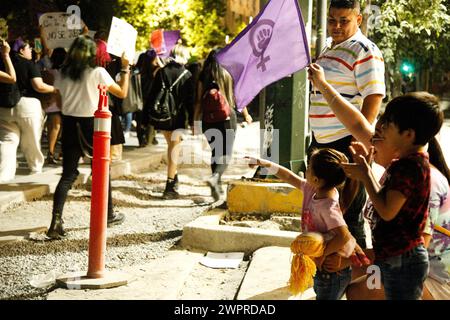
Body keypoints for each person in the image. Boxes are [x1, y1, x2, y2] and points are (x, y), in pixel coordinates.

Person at [309, 62, 443, 299]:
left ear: (407, 136)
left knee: (356, 291)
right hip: (395, 260)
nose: (373, 136)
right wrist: (322, 84)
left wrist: (365, 176)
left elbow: (404, 230)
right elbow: (356, 123)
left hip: (426, 274)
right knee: (347, 275)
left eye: (382, 130)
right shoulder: (399, 162)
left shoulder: (417, 173)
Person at [309, 0, 386, 250]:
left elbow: (373, 96)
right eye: (332, 20)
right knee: (325, 212)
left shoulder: (364, 49)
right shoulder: (330, 48)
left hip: (345, 143)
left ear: (358, 19)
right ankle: (332, 272)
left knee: (347, 216)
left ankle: (357, 277)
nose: (337, 26)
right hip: (322, 143)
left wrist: (357, 141)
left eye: (344, 20)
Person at [246, 148, 361, 300]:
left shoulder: (327, 206)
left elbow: (344, 236)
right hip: (322, 267)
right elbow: (287, 176)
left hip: (331, 270)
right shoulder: (312, 188)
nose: (305, 171)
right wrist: (265, 163)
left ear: (316, 179)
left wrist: (322, 254)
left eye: (308, 168)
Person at [46, 35, 129, 239]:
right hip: (92, 125)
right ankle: (107, 214)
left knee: (68, 174)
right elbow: (122, 93)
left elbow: (58, 98)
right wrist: (125, 69)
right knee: (101, 169)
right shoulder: (98, 72)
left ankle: (56, 221)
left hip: (70, 123)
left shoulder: (63, 73)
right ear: (91, 54)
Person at [194, 48, 253, 201]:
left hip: (208, 119)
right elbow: (238, 98)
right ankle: (215, 177)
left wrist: (195, 121)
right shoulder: (228, 73)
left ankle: (217, 185)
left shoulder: (204, 75)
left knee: (216, 152)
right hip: (227, 118)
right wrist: (246, 115)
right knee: (225, 154)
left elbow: (199, 100)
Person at [0, 39, 56, 182]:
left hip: (4, 106)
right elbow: (39, 86)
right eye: (28, 47)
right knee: (31, 142)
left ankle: (3, 177)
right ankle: (36, 173)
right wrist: (55, 90)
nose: (31, 50)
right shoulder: (29, 64)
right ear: (21, 50)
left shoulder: (2, 63)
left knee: (8, 141)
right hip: (28, 106)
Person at [143, 44, 194, 199]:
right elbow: (189, 101)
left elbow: (151, 95)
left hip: (162, 116)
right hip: (177, 118)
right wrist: (192, 121)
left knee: (171, 147)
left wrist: (145, 117)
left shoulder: (162, 71)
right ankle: (169, 187)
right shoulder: (187, 75)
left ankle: (174, 176)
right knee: (174, 150)